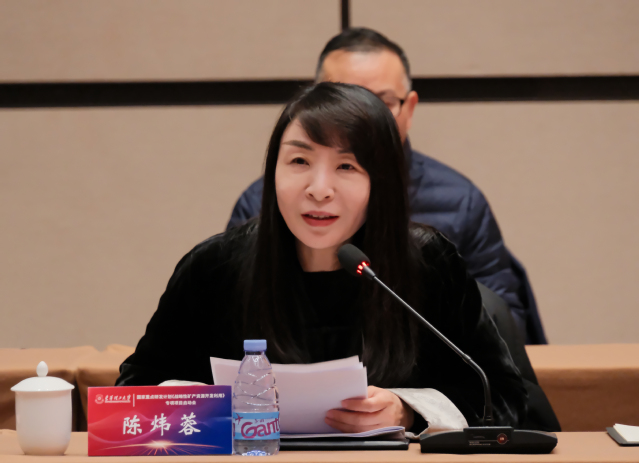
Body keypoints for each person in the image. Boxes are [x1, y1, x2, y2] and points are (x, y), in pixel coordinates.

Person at [117, 83, 527, 434]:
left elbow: (503, 398)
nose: (319, 188)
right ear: (272, 171)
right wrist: (212, 410)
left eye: (346, 166)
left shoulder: (428, 265)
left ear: (381, 182)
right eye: (299, 161)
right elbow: (131, 397)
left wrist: (408, 411)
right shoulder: (214, 268)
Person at [226, 28, 546, 344]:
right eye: (343, 96)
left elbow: (502, 324)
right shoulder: (261, 201)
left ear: (410, 108)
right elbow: (230, 315)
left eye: (383, 101)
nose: (363, 116)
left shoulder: (460, 201)